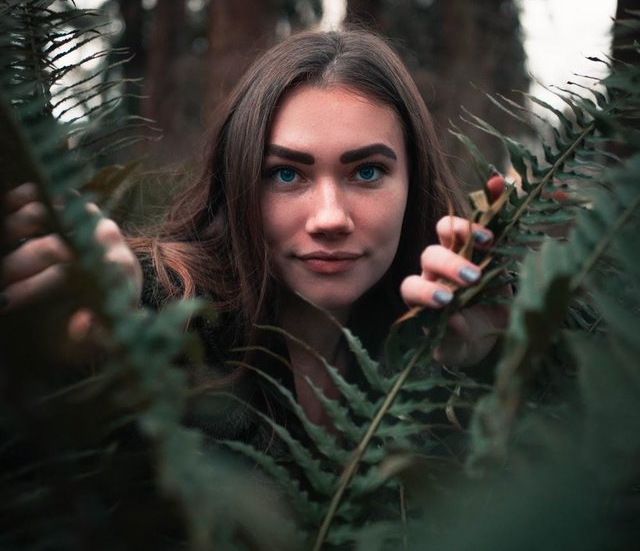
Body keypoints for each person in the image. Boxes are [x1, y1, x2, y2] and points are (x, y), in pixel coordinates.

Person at [1, 29, 507, 439]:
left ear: (413, 184)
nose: (329, 218)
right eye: (286, 174)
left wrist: (497, 370)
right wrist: (108, 320)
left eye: (367, 172)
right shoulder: (165, 310)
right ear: (238, 182)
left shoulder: (439, 339)